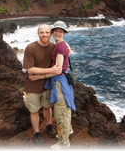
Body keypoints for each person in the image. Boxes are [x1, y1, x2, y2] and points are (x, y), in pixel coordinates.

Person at [28, 21, 76, 151]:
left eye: (61, 31)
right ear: (53, 32)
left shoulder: (60, 47)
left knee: (61, 113)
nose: (57, 33)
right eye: (56, 31)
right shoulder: (60, 46)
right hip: (60, 82)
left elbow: (58, 70)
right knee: (64, 111)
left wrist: (39, 77)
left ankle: (63, 142)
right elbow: (64, 60)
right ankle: (68, 130)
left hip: (60, 83)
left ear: (64, 33)